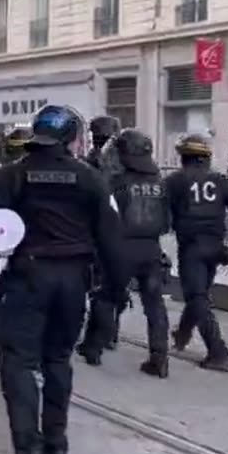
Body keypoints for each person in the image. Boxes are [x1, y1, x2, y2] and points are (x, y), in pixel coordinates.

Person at [0, 105, 123, 454]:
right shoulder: (90, 178)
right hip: (74, 280)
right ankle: (56, 444)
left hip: (28, 277)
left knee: (20, 363)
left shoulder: (9, 176)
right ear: (69, 137)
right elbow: (112, 238)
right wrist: (115, 288)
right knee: (58, 358)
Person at [81, 128, 172, 376]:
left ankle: (94, 347)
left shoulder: (114, 183)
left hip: (120, 249)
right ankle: (159, 356)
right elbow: (166, 222)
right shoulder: (160, 183)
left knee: (106, 297)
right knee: (154, 304)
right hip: (152, 249)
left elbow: (102, 218)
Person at [165, 133, 228, 371]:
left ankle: (218, 351)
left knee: (197, 297)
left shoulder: (174, 181)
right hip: (215, 246)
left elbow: (162, 216)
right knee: (199, 293)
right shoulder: (220, 180)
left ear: (183, 156)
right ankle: (182, 334)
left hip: (191, 246)